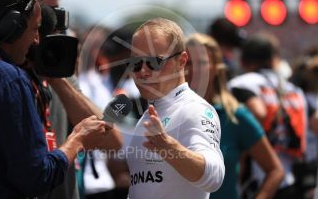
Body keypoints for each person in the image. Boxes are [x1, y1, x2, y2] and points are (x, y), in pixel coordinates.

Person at [0, 0, 109, 198]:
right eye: (34, 29)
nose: (37, 40)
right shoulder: (10, 79)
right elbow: (36, 176)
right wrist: (78, 139)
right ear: (11, 26)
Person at [25, 0, 123, 199]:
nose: (54, 30)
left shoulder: (62, 78)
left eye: (58, 20)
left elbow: (112, 142)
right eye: (46, 19)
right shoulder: (1, 75)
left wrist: (55, 76)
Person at [125, 18, 225, 199]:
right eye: (136, 63)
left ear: (181, 61)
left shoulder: (194, 109)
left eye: (154, 62)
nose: (143, 72)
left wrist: (168, 147)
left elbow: (214, 177)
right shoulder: (148, 116)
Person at [185, 33, 284, 199]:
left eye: (202, 62)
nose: (194, 69)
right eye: (188, 63)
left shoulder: (235, 116)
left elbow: (275, 171)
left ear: (216, 68)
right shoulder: (167, 113)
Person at [228, 33, 307, 199]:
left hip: (257, 182)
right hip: (291, 181)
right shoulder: (295, 90)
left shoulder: (241, 84)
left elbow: (258, 113)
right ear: (274, 59)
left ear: (243, 60)